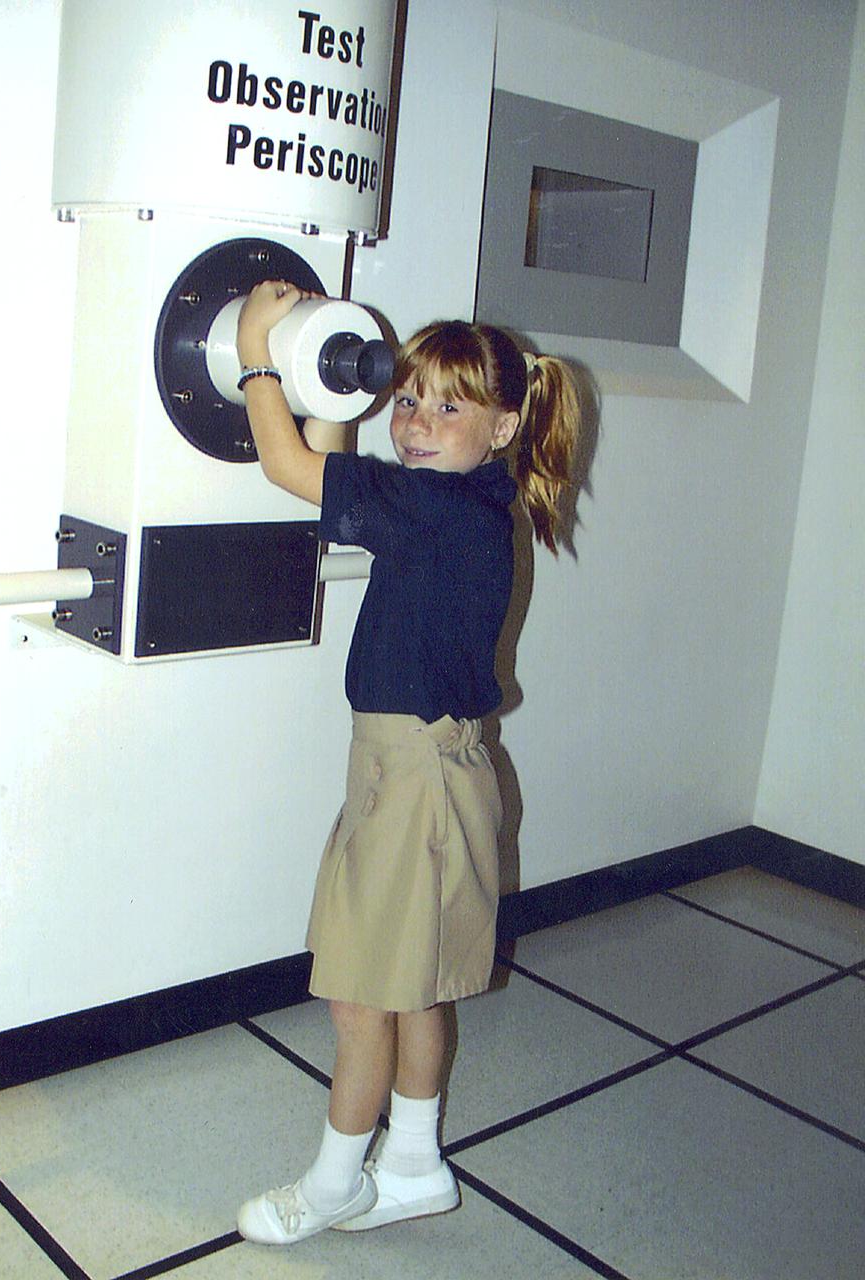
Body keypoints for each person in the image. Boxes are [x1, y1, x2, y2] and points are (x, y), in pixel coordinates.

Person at [233, 280, 580, 1246]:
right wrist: (331, 382)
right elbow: (338, 479)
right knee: (413, 981)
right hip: (426, 768)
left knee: (361, 995)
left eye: (449, 408)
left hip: (413, 780)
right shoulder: (466, 503)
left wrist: (260, 352)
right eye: (409, 399)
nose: (418, 424)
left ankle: (334, 1186)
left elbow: (289, 465)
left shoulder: (434, 509)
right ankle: (416, 1166)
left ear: (504, 426)